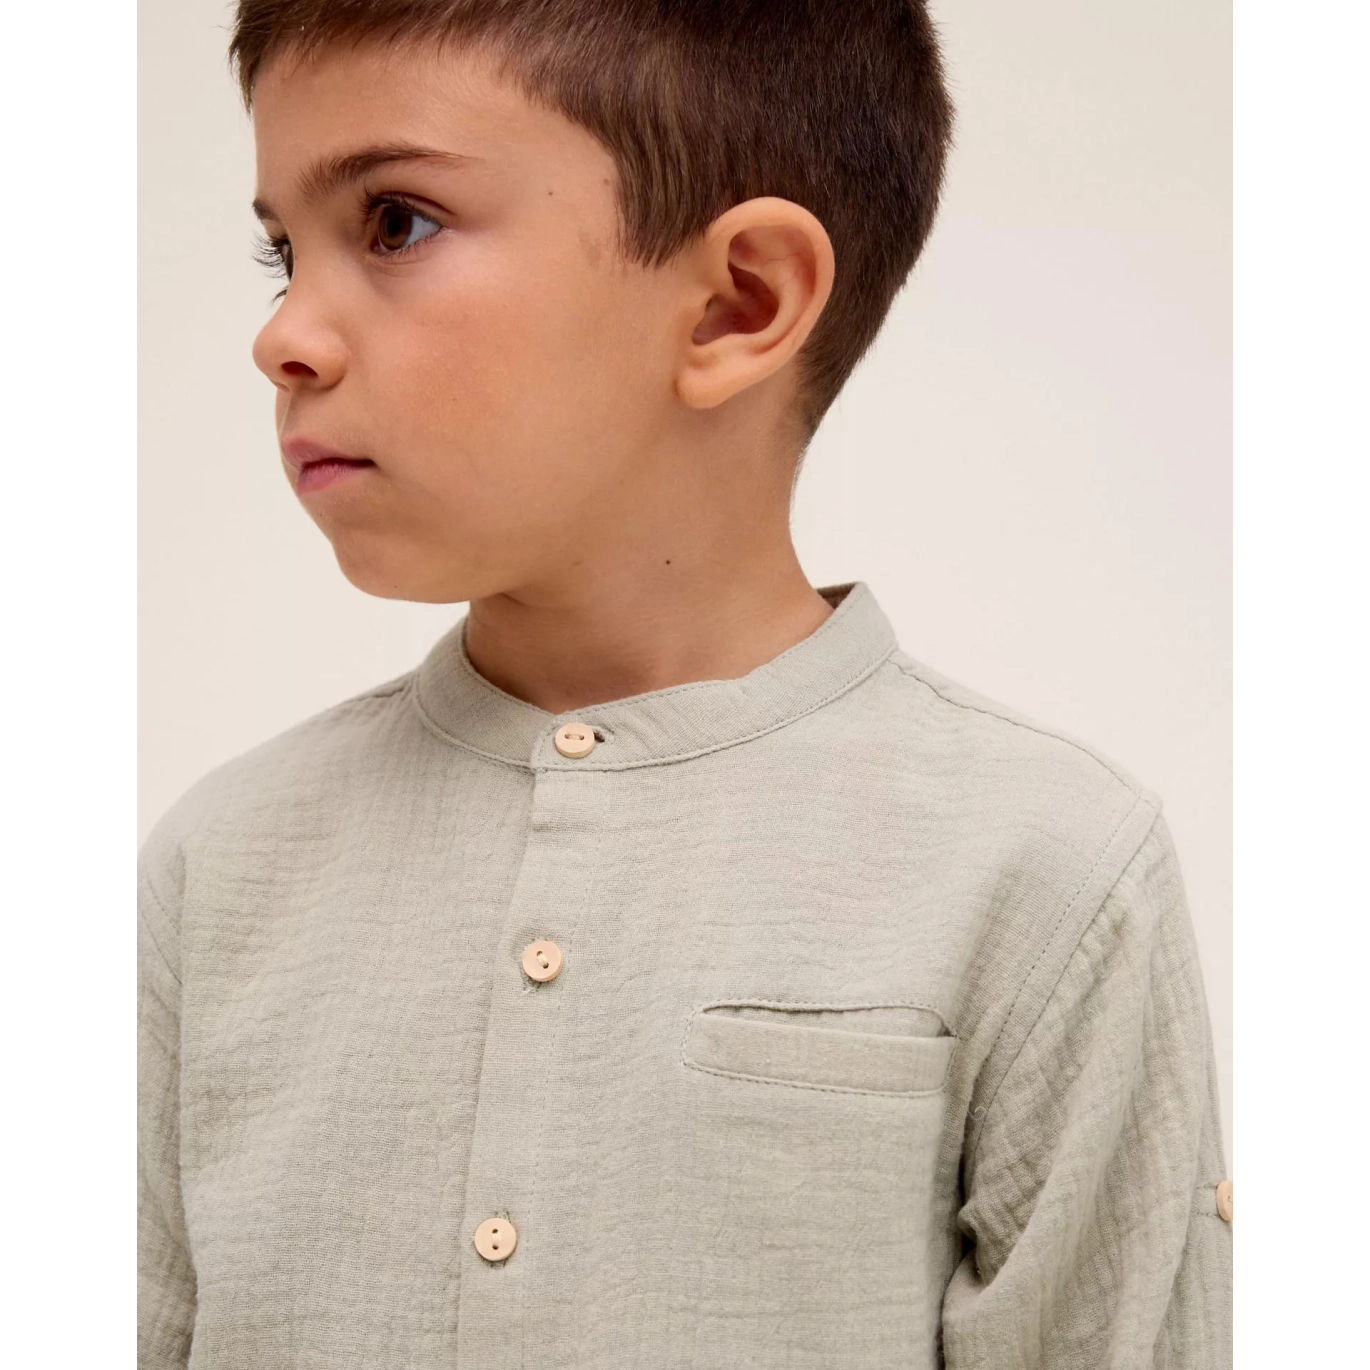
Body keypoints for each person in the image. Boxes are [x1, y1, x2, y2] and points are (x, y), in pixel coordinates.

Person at [136, 2, 1235, 1366]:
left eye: (397, 224)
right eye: (281, 253)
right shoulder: (222, 868)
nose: (285, 337)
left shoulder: (1045, 868)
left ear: (737, 302)